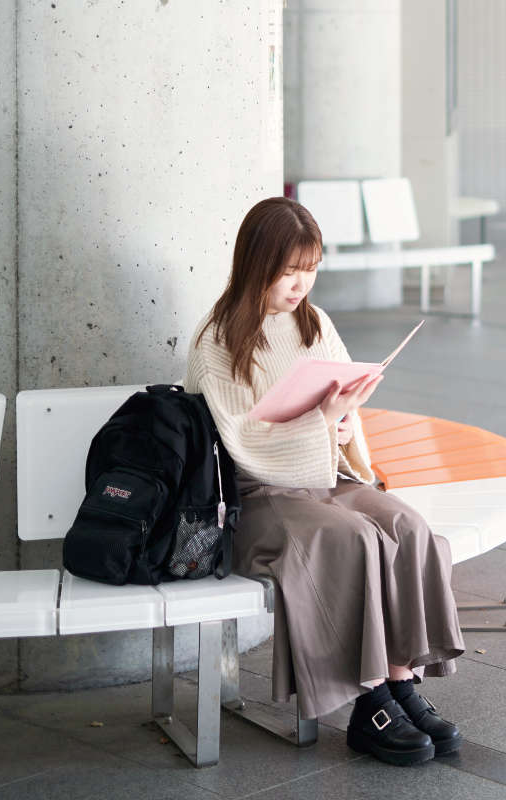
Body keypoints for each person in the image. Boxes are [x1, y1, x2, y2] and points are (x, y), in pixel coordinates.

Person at [183, 197, 465, 767]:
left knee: (406, 524)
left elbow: (340, 426)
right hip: (258, 497)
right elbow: (240, 444)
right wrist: (321, 423)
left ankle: (401, 680)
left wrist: (342, 422)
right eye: (289, 270)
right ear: (255, 263)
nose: (300, 284)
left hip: (322, 477)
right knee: (351, 537)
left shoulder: (313, 322)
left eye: (310, 269)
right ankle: (371, 701)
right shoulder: (218, 340)